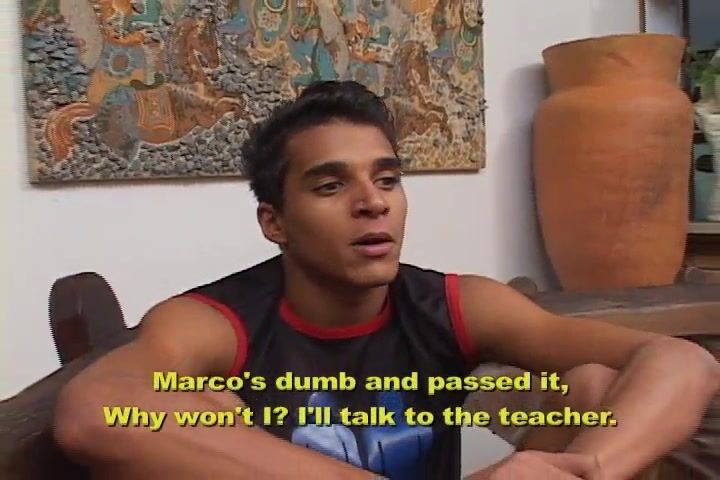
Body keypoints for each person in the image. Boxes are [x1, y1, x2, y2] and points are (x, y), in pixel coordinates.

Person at [53, 80, 719, 480]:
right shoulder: (218, 321)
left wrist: (588, 467)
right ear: (274, 221)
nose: (372, 202)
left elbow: (680, 361)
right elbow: (93, 412)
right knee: (190, 411)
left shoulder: (452, 303)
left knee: (595, 389)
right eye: (330, 185)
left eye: (388, 179)